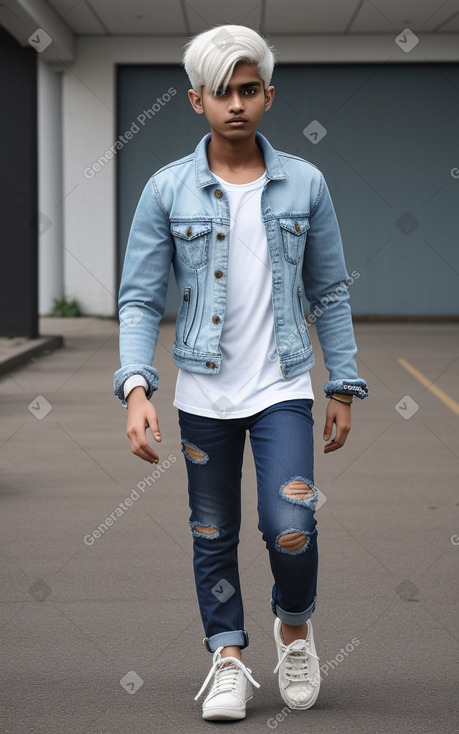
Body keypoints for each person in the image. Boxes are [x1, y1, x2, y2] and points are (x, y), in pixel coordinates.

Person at [114, 24, 368, 721]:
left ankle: (293, 631)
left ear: (268, 96)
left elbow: (330, 292)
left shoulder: (304, 184)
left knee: (290, 522)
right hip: (201, 392)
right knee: (210, 530)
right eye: (221, 91)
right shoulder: (167, 190)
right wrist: (136, 387)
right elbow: (138, 297)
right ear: (196, 100)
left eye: (248, 89)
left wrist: (340, 384)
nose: (235, 104)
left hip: (282, 387)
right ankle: (226, 656)